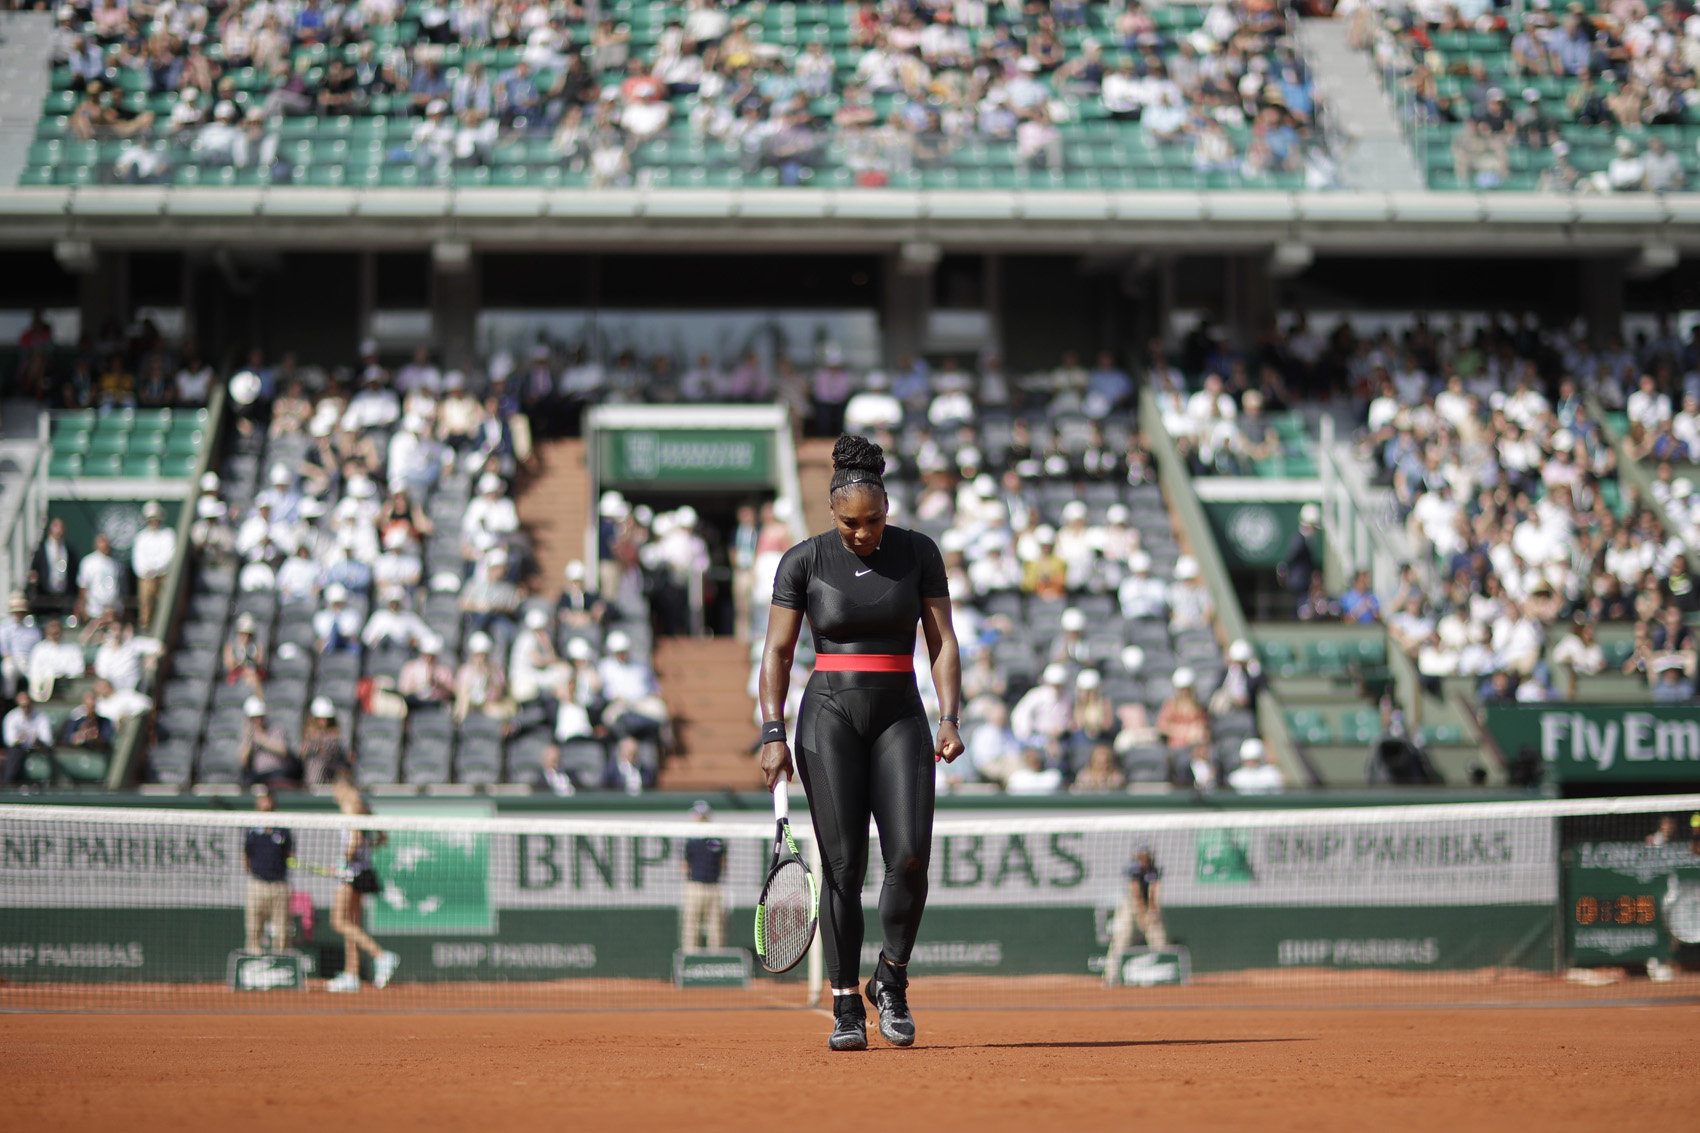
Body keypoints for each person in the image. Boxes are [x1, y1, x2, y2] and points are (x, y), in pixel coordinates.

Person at [758, 435, 963, 1052]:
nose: (862, 533)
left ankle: (891, 980)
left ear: (887, 509)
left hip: (902, 714)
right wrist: (772, 731)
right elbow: (776, 651)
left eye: (873, 521)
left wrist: (950, 715)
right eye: (850, 522)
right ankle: (848, 1002)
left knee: (910, 858)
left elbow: (943, 641)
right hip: (828, 718)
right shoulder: (803, 560)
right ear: (831, 513)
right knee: (844, 866)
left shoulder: (919, 553)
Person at [327, 777, 400, 993]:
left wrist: (343, 862)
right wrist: (366, 853)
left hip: (351, 875)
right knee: (352, 924)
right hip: (362, 871)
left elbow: (356, 838)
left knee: (338, 922)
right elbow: (381, 837)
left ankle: (381, 954)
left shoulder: (349, 807)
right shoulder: (363, 808)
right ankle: (351, 974)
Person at [1103, 846, 1168, 987]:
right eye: (1141, 855)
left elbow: (1154, 895)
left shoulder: (1154, 870)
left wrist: (1151, 913)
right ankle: (1110, 976)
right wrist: (1140, 915)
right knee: (1121, 938)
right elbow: (1135, 894)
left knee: (1157, 935)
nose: (1143, 858)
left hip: (1148, 907)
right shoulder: (1133, 870)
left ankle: (1163, 973)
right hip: (1130, 906)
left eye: (1146, 855)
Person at [243, 788, 294, 953]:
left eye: (267, 798)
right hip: (258, 884)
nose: (264, 801)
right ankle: (254, 963)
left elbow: (290, 853)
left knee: (282, 931)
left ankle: (281, 962)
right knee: (253, 928)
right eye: (261, 798)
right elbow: (246, 854)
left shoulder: (283, 829)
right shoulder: (251, 829)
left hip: (279, 885)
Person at [680, 799, 726, 951]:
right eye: (699, 816)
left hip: (713, 886)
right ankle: (689, 956)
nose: (701, 819)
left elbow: (722, 861)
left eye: (704, 816)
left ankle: (716, 958)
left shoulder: (716, 840)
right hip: (695, 886)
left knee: (716, 926)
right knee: (691, 925)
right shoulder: (690, 841)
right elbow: (685, 863)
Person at [239, 696, 300, 788]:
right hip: (259, 775)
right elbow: (243, 760)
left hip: (277, 772)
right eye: (254, 718)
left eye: (260, 717)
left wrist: (258, 737)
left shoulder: (275, 730)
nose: (257, 721)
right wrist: (249, 740)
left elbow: (282, 749)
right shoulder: (248, 736)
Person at [1, 690, 54, 787]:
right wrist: (19, 739)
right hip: (19, 749)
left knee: (51, 754)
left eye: (28, 706)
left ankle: (51, 785)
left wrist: (38, 741)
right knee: (15, 753)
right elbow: (9, 740)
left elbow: (48, 740)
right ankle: (8, 785)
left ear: (32, 704)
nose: (26, 709)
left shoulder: (42, 717)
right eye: (23, 706)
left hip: (38, 750)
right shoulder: (12, 717)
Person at [28, 517, 78, 616]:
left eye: (61, 527)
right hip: (45, 597)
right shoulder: (41, 550)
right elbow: (35, 570)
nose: (58, 531)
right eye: (56, 527)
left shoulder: (68, 551)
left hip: (64, 597)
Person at [1277, 504, 1320, 614]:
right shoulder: (1300, 540)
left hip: (1302, 581)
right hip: (1299, 582)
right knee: (1298, 606)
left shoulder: (1305, 540)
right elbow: (1291, 557)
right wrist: (1283, 569)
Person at [300, 697, 351, 785]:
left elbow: (330, 750)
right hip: (311, 780)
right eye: (319, 719)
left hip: (331, 778)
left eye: (326, 719)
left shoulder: (335, 738)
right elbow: (303, 752)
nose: (323, 722)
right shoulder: (308, 737)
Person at [0, 593, 41, 698]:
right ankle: (8, 698)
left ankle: (34, 697)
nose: (19, 614)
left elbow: (37, 648)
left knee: (36, 672)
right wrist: (10, 657)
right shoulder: (5, 628)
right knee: (8, 669)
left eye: (21, 612)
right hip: (13, 659)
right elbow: (4, 649)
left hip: (29, 661)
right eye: (16, 612)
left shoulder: (33, 629)